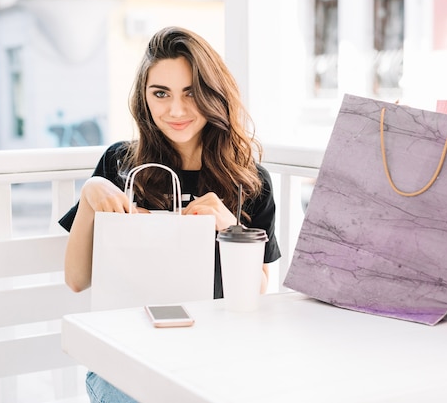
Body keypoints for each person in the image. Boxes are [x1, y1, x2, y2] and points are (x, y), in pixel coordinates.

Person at [58, 26, 281, 403]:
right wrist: (89, 198)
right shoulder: (120, 164)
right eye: (160, 93)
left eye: (191, 93)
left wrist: (231, 227)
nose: (175, 110)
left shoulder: (248, 180)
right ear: (144, 99)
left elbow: (256, 289)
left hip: (216, 355)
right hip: (126, 357)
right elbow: (77, 280)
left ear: (214, 95)